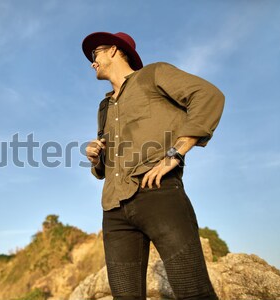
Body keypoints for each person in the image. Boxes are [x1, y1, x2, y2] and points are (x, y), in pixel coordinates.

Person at [82, 32, 225, 300]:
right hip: (114, 209)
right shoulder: (104, 106)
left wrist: (175, 153)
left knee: (192, 290)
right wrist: (96, 158)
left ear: (114, 50)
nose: (92, 62)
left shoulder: (154, 74)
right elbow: (105, 166)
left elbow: (208, 95)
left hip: (158, 194)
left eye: (96, 54)